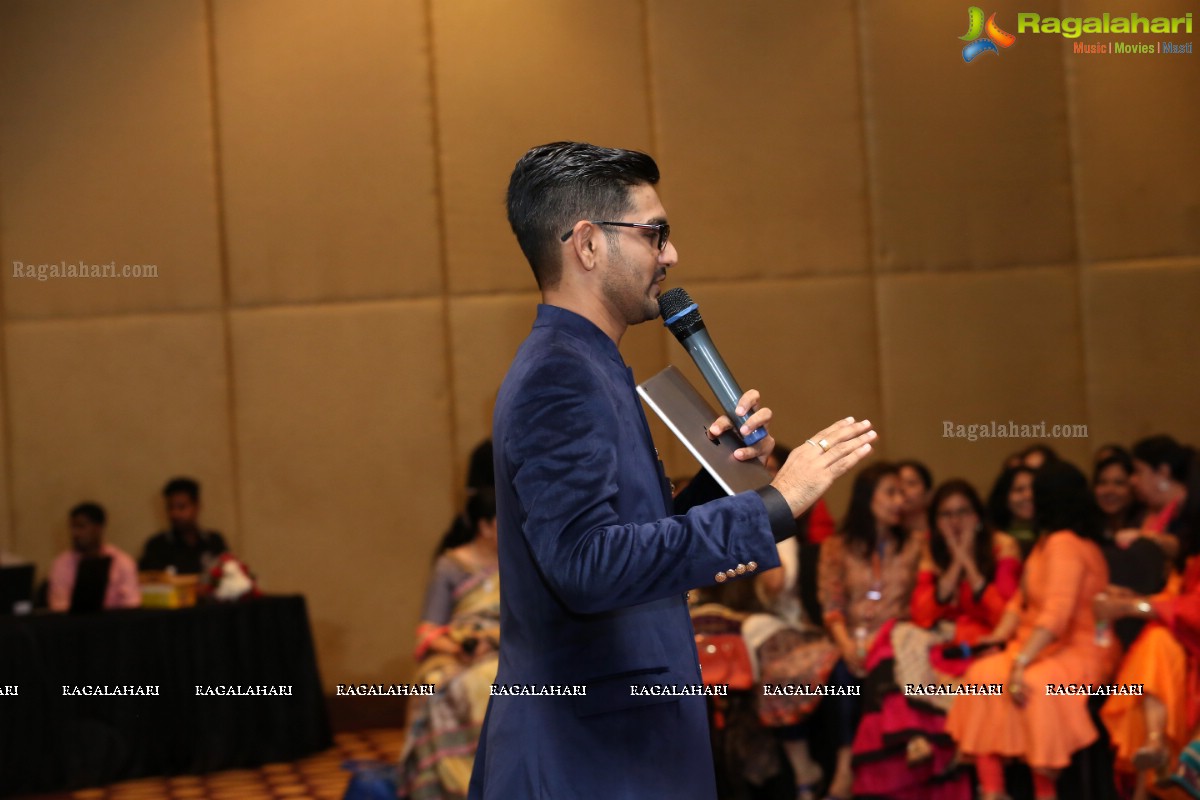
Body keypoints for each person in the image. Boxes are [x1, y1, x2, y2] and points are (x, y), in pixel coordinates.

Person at [467, 141, 877, 800]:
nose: (671, 255)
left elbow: (629, 539)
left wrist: (726, 478)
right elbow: (587, 565)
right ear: (588, 244)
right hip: (590, 756)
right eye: (655, 233)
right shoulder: (559, 375)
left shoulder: (588, 363)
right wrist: (774, 506)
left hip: (615, 741)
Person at [945, 461, 1112, 800]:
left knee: (1034, 686)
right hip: (1040, 646)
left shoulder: (1065, 543)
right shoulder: (1045, 542)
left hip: (1079, 648)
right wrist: (997, 639)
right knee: (982, 677)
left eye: (1033, 493)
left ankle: (1044, 792)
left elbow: (1057, 615)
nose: (1026, 500)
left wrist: (1021, 662)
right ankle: (993, 791)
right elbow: (1019, 602)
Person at [818, 463, 947, 799]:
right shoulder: (836, 546)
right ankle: (845, 763)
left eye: (903, 494)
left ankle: (887, 764)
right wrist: (847, 644)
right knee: (842, 674)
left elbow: (926, 599)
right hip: (846, 638)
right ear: (867, 498)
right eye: (891, 492)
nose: (899, 501)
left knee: (886, 664)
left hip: (895, 638)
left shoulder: (915, 544)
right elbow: (832, 605)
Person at [399, 489, 500, 800]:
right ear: (485, 526)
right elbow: (428, 630)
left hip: (507, 648)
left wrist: (492, 640)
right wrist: (461, 649)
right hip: (456, 651)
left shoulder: (519, 564)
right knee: (436, 687)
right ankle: (452, 788)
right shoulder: (451, 565)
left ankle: (497, 784)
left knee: (499, 680)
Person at [911, 479, 1021, 651]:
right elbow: (922, 615)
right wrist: (957, 562)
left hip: (989, 640)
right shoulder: (929, 547)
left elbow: (1007, 616)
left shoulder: (1002, 546)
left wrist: (968, 565)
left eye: (963, 512)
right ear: (935, 521)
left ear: (977, 516)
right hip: (944, 641)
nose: (955, 521)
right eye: (946, 514)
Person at [48, 502, 140, 611]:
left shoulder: (122, 562)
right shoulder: (61, 563)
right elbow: (59, 607)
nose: (75, 533)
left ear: (98, 528)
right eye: (72, 527)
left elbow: (132, 604)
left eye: (81, 527)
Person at [138, 477, 227, 574]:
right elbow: (146, 581)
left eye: (181, 507)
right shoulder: (157, 546)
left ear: (197, 507)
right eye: (170, 507)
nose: (175, 514)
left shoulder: (214, 542)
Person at [987, 464, 1038, 558]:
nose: (1029, 495)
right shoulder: (990, 539)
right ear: (1004, 496)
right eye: (1019, 490)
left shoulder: (1051, 536)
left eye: (1035, 489)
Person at [896, 459, 934, 536]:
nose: (902, 489)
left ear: (928, 493)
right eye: (897, 484)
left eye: (911, 483)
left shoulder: (941, 533)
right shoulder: (889, 539)